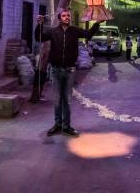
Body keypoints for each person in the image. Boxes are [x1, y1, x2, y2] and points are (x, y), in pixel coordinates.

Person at [35, 9, 102, 137]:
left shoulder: (74, 31)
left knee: (67, 99)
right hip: (55, 70)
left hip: (70, 70)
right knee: (57, 99)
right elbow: (39, 37)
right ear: (60, 18)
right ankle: (57, 124)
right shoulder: (53, 32)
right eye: (64, 16)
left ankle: (66, 126)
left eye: (68, 16)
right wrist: (40, 24)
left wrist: (97, 23)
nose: (67, 17)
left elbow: (88, 34)